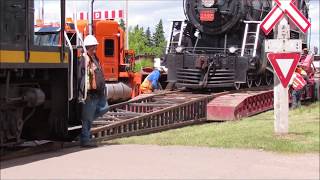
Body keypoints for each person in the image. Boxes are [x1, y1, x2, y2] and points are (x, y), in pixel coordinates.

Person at [78, 35, 108, 147]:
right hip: (90, 93)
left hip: (98, 92)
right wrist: (81, 93)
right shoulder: (83, 59)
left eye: (95, 47)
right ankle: (85, 139)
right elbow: (80, 76)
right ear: (88, 47)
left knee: (104, 108)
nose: (95, 49)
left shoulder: (95, 58)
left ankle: (84, 127)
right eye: (93, 47)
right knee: (87, 118)